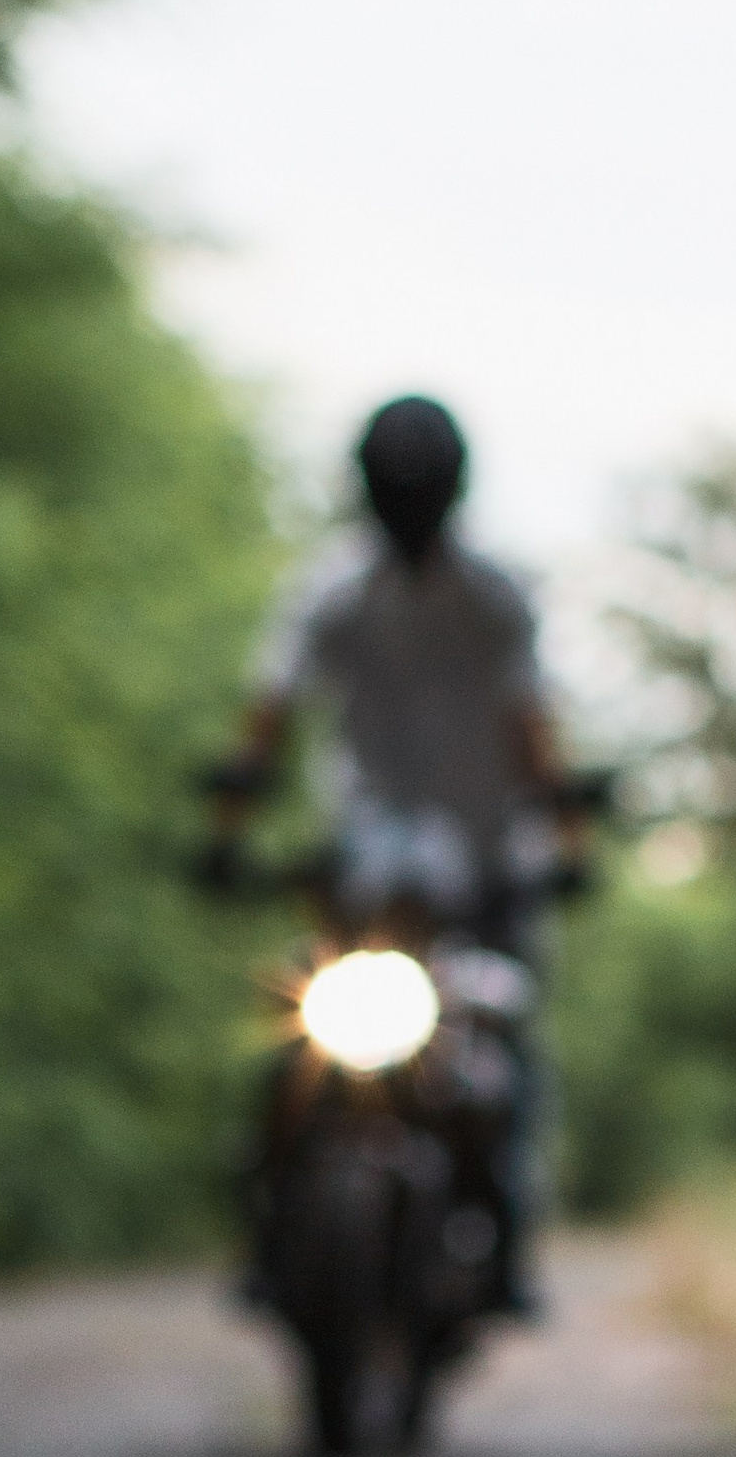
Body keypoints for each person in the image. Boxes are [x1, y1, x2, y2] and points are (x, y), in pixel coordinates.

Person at [200, 397, 594, 1317]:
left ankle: (506, 1234)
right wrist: (226, 833)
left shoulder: (497, 596)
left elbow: (532, 727)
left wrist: (567, 845)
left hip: (493, 861)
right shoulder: (331, 590)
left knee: (502, 1034)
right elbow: (270, 716)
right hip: (368, 857)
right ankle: (270, 1217)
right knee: (298, 1036)